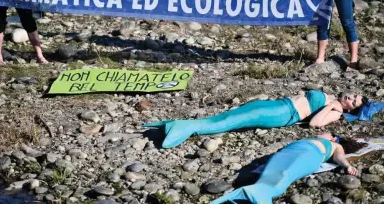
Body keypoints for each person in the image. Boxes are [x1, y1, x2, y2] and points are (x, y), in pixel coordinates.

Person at [143, 91, 368, 148]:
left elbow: (315, 124)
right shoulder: (332, 97)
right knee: (228, 116)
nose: (351, 97)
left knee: (230, 122)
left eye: (354, 102)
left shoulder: (336, 111)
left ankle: (182, 129)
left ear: (351, 109)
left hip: (280, 114)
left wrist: (330, 106)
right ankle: (174, 125)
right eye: (354, 95)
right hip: (276, 104)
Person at [210, 132, 365, 204]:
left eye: (328, 132)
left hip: (311, 154)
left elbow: (339, 157)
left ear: (332, 137)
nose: (323, 132)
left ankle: (256, 195)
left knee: (285, 173)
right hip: (289, 152)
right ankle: (253, 193)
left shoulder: (334, 144)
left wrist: (347, 166)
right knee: (273, 171)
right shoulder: (311, 138)